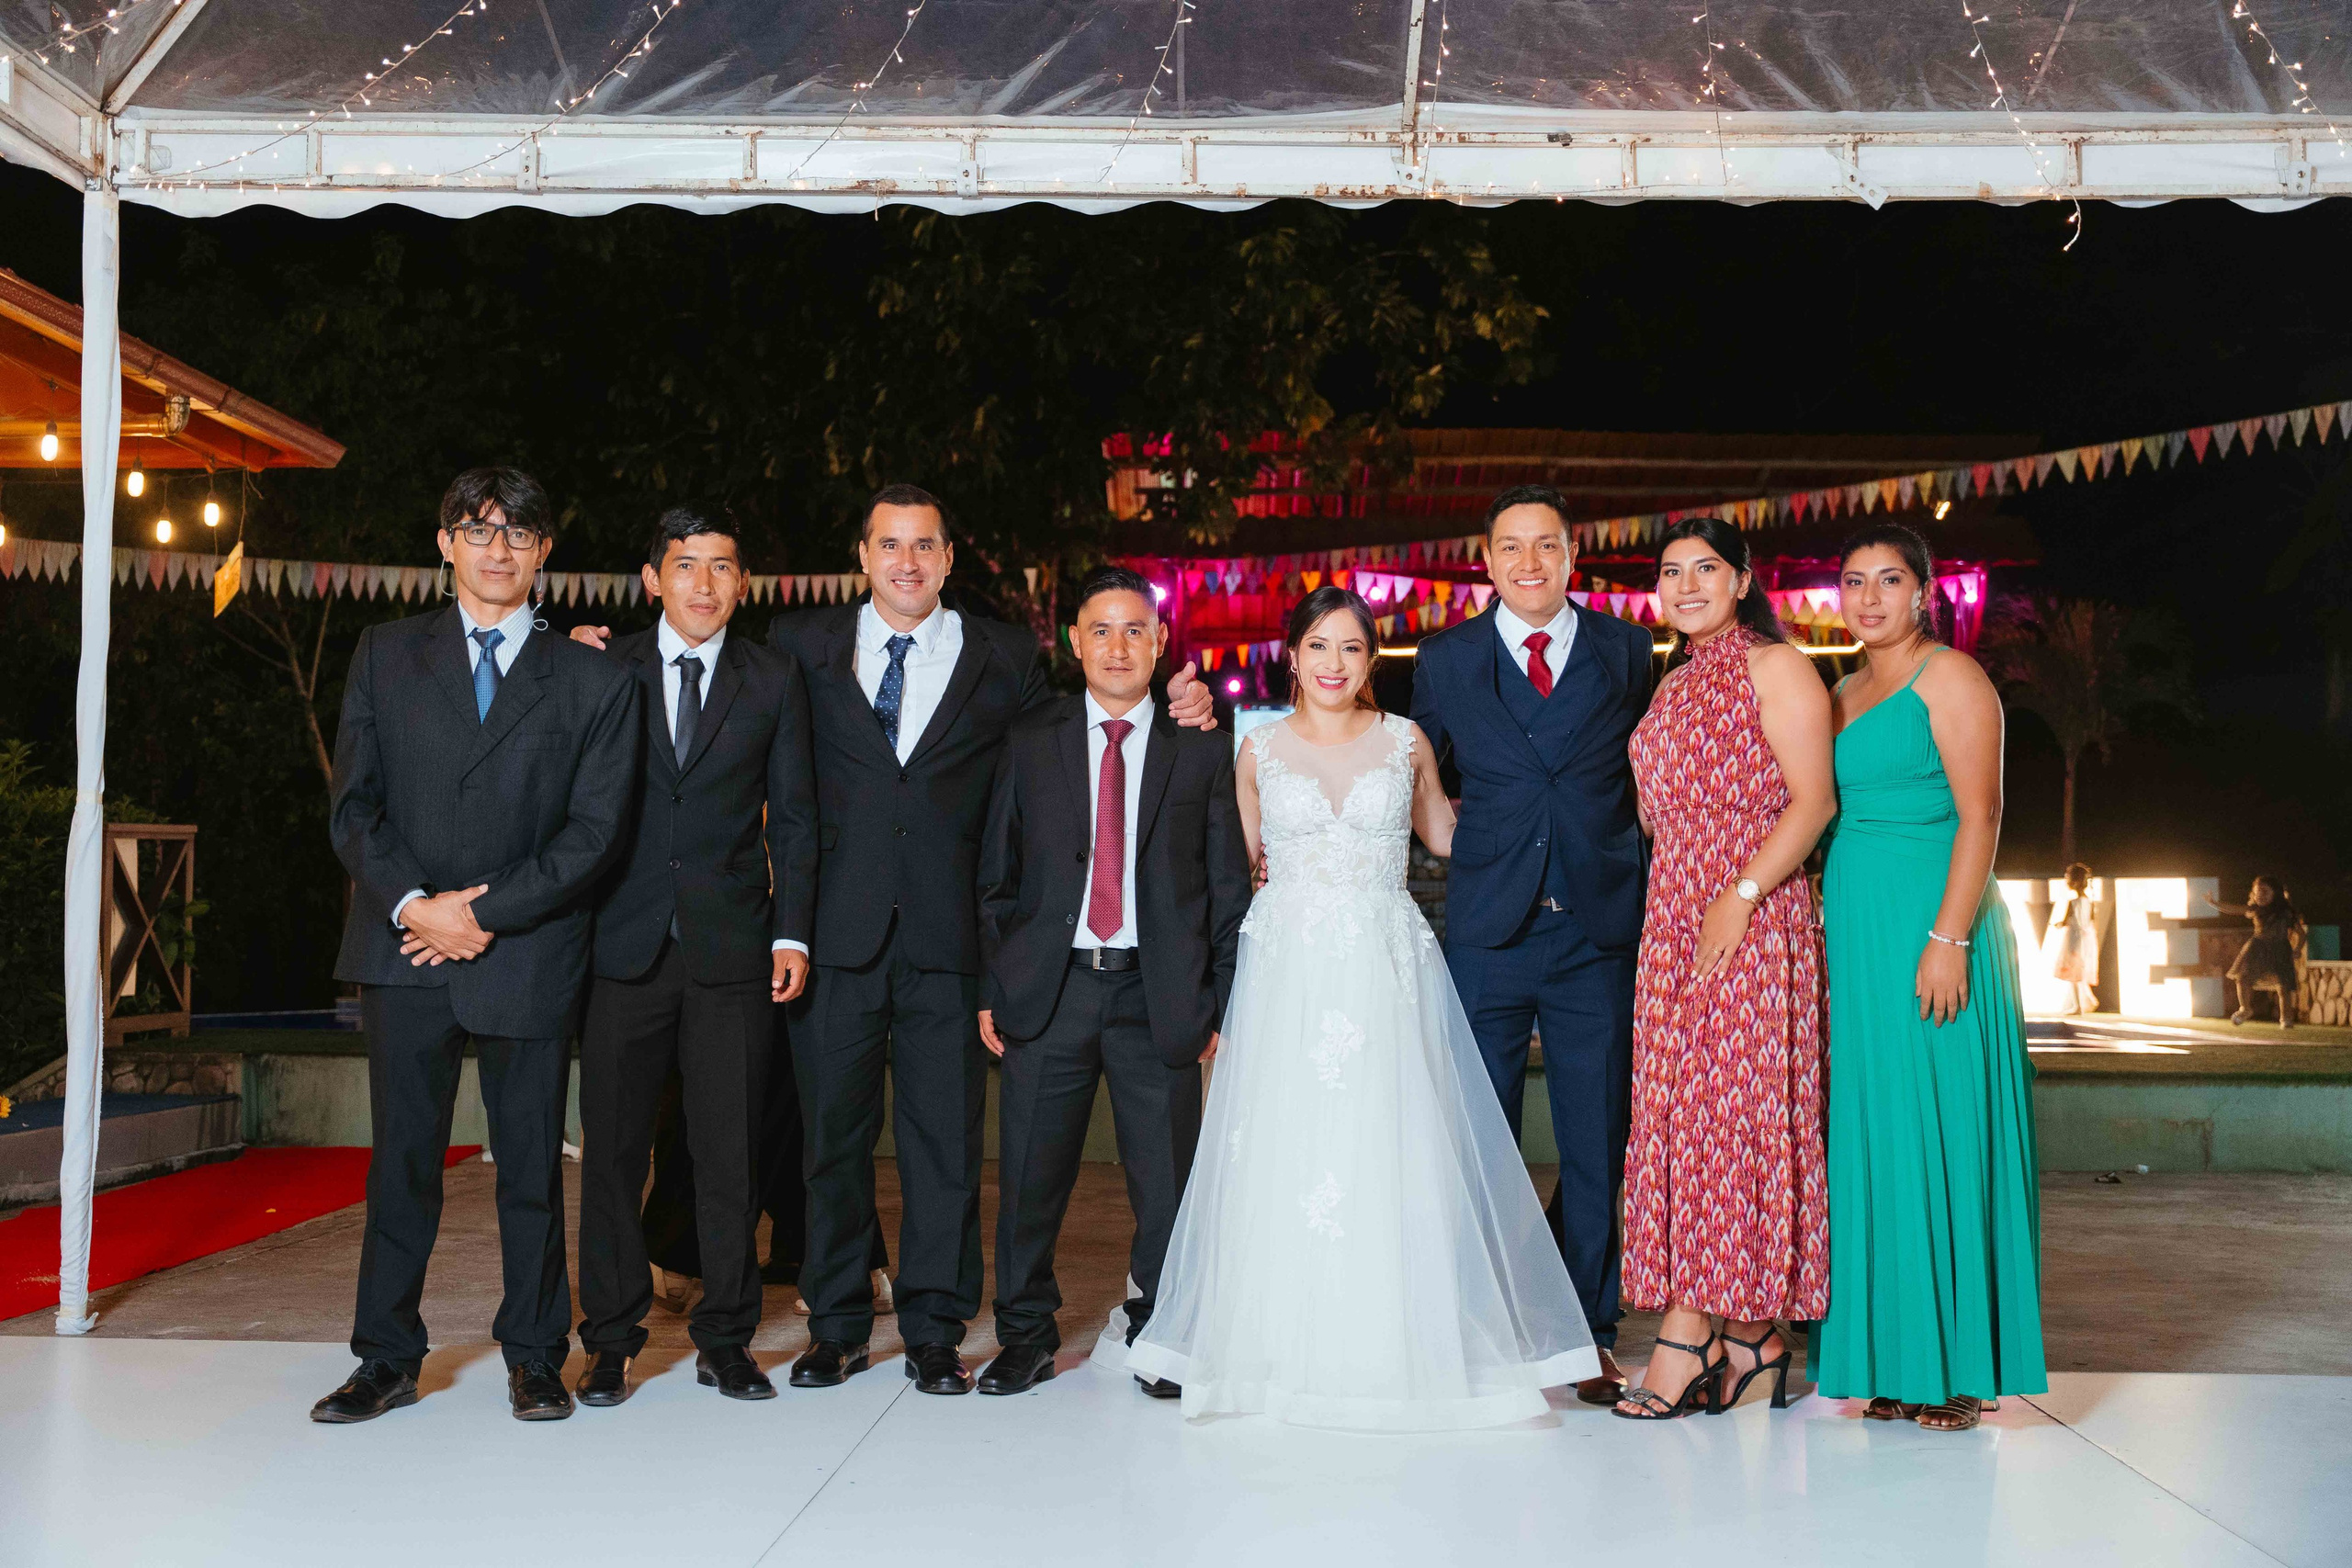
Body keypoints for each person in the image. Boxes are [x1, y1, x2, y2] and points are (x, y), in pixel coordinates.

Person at [768, 486, 1216, 1395]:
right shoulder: (800, 649)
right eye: (889, 544)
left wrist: (1185, 706)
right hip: (834, 933)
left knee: (945, 1146)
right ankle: (838, 1326)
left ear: (947, 558)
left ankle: (936, 1331)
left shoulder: (1004, 657)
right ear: (862, 554)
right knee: (830, 1142)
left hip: (950, 941)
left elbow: (1078, 743)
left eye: (924, 545)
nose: (906, 561)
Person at [1128, 587, 1598, 1429]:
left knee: (1391, 1136)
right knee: (1288, 1142)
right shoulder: (1257, 748)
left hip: (1385, 962)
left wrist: (1550, 817)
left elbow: (1450, 837)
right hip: (1286, 966)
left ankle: (1395, 1340)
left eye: (1350, 647)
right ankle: (1278, 1339)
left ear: (1370, 658)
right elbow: (1231, 871)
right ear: (1292, 655)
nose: (1333, 664)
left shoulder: (1405, 741)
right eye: (1317, 646)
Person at [313, 467, 639, 1424]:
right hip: (403, 950)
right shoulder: (383, 652)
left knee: (531, 1168)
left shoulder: (590, 677)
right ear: (445, 543)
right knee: (401, 1165)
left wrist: (481, 914)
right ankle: (385, 1357)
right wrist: (417, 905)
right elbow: (354, 808)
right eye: (478, 529)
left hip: (527, 951)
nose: (498, 549)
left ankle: (537, 1357)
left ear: (544, 554)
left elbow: (593, 833)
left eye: (520, 534)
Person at [971, 567, 1251, 1397]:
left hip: (1155, 996)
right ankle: (1024, 1333)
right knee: (1029, 1177)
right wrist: (997, 981)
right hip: (1049, 991)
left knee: (1165, 1186)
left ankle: (1162, 1333)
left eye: (1136, 630)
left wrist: (1221, 1003)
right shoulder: (1031, 739)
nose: (1119, 645)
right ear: (1075, 643)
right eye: (1101, 629)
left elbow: (1225, 887)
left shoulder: (1199, 746)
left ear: (1161, 644)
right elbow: (997, 874)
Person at [1403, 483, 1653, 1404]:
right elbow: (1407, 764)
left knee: (1597, 1141)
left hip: (1596, 929)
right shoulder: (1446, 657)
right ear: (1487, 561)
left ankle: (1586, 1333)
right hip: (1486, 931)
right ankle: (1488, 1323)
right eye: (1510, 547)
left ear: (1570, 556)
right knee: (1478, 1137)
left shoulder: (1628, 651)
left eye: (1545, 546)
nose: (1529, 563)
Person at [569, 505, 819, 1408]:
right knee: (612, 1153)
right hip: (620, 948)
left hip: (732, 947)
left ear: (741, 583)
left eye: (722, 567)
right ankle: (608, 1339)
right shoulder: (601, 668)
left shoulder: (772, 678)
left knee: (729, 1149)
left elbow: (793, 818)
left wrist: (791, 931)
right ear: (652, 579)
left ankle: (727, 1337)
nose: (704, 584)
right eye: (686, 566)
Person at [1812, 522, 2046, 1433]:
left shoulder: (1951, 678)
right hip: (1858, 936)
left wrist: (1947, 938)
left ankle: (1956, 1370)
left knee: (1944, 1130)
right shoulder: (1836, 693)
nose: (1867, 598)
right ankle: (1889, 1360)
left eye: (1887, 581)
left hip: (1934, 924)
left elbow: (1982, 814)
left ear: (1922, 593)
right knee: (1875, 1137)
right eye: (1852, 581)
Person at [1615, 518, 1834, 1420]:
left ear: (1743, 579)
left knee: (1728, 1122)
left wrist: (1737, 893)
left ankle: (1688, 1337)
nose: (1688, 583)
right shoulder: (1670, 685)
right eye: (1672, 571)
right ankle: (1750, 1340)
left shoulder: (1773, 665)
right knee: (1681, 1122)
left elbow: (1813, 799)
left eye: (1707, 567)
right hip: (1673, 918)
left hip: (1750, 912)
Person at [2222, 875, 2306, 1028]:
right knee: (2242, 978)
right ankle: (2245, 1008)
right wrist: (2214, 903)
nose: (2260, 895)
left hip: (2280, 949)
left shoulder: (2285, 912)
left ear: (2276, 894)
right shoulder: (2256, 909)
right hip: (2257, 947)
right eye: (2257, 892)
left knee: (2283, 985)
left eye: (2265, 892)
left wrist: (2298, 949)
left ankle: (2286, 1018)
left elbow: (2301, 933)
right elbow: (2235, 909)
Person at [2044, 862, 2101, 1017]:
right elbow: (2089, 921)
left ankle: (2079, 1005)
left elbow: (2067, 920)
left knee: (2073, 974)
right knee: (2077, 974)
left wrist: (2057, 924)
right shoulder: (2089, 901)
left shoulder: (2073, 902)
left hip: (2074, 939)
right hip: (2086, 939)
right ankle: (2083, 1003)